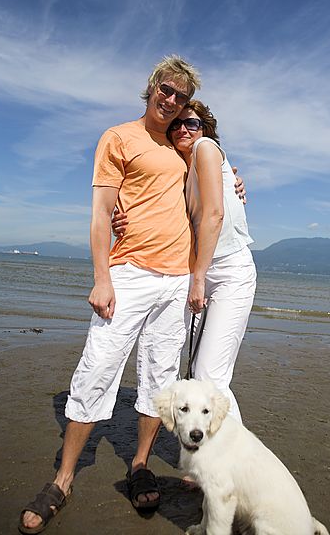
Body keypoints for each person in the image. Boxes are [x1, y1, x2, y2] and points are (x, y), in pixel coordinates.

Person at [19, 55, 245, 534]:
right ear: (151, 89)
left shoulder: (188, 147)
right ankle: (64, 477)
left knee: (159, 378)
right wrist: (102, 277)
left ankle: (140, 463)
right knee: (98, 367)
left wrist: (234, 175)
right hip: (129, 274)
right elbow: (101, 213)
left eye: (182, 99)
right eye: (166, 91)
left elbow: (213, 186)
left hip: (179, 280)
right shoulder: (119, 137)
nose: (173, 103)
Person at [113, 99, 257, 422]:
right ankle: (208, 457)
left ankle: (231, 457)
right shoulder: (183, 170)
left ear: (204, 129)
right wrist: (118, 217)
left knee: (209, 374)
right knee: (194, 369)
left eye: (191, 123)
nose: (182, 129)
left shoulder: (206, 148)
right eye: (176, 124)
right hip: (202, 272)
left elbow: (215, 215)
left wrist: (198, 278)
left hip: (228, 271)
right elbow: (152, 204)